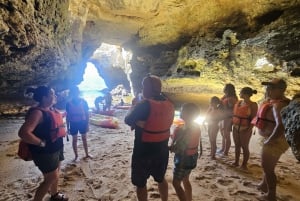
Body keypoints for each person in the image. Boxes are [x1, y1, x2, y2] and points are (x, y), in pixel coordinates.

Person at [124, 74, 175, 201]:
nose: (142, 90)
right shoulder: (169, 102)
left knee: (140, 184)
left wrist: (134, 105)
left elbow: (127, 119)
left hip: (143, 152)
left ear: (149, 88)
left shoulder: (144, 105)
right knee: (161, 178)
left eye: (143, 87)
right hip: (162, 151)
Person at [18, 86, 68, 201]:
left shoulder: (51, 109)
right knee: (51, 178)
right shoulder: (37, 113)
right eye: (52, 94)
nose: (55, 96)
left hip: (56, 147)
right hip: (45, 152)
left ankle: (55, 195)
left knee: (56, 172)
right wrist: (40, 143)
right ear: (44, 97)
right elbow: (24, 132)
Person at [252, 78, 290, 201]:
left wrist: (270, 141)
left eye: (272, 88)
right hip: (275, 139)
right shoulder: (276, 102)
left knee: (267, 167)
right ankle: (264, 185)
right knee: (269, 165)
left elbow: (280, 126)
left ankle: (271, 195)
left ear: (281, 90)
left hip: (275, 140)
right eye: (268, 87)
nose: (268, 90)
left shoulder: (278, 105)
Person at [169, 103, 201, 201]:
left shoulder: (185, 130)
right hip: (192, 158)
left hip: (184, 160)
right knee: (185, 179)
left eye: (182, 111)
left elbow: (180, 147)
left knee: (176, 183)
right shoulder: (196, 126)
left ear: (188, 114)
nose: (180, 112)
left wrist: (169, 148)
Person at [232, 87, 258, 170]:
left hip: (245, 128)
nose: (239, 94)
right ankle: (236, 162)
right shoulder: (238, 102)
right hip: (235, 127)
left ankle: (244, 164)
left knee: (244, 146)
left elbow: (254, 118)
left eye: (241, 93)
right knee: (237, 146)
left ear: (246, 94)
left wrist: (249, 129)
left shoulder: (253, 105)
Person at [66, 86, 91, 161]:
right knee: (74, 140)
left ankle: (87, 154)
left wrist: (87, 124)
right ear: (72, 93)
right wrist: (67, 128)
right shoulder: (68, 103)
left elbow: (87, 114)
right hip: (73, 123)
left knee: (84, 139)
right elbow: (67, 116)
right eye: (74, 92)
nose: (75, 94)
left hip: (82, 122)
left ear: (78, 92)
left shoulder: (84, 102)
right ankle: (76, 156)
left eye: (76, 92)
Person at [218, 83, 238, 156]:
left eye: (225, 88)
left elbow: (232, 110)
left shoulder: (232, 98)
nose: (224, 89)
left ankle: (225, 152)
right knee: (223, 134)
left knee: (226, 135)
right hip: (222, 118)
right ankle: (222, 148)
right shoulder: (225, 97)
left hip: (228, 118)